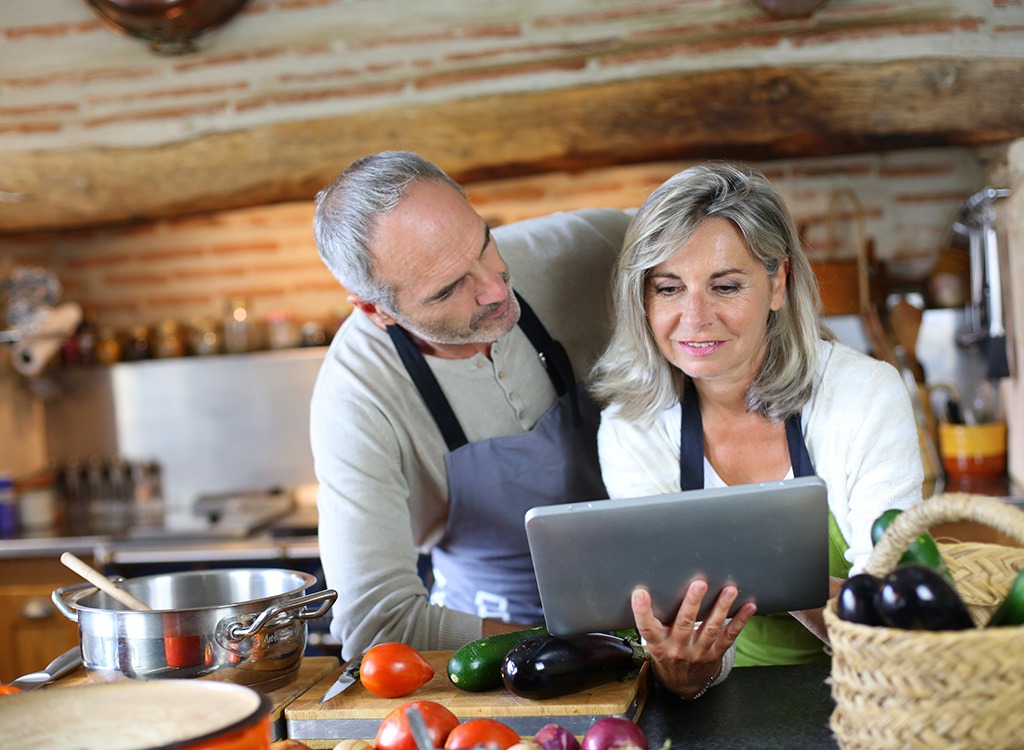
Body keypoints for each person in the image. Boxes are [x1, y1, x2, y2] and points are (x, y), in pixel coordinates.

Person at [590, 162, 924, 685]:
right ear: (643, 297)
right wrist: (684, 670)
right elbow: (685, 657)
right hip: (724, 707)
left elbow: (894, 620)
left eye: (724, 287)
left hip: (872, 697)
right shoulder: (632, 428)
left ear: (777, 284)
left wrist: (761, 565)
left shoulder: (863, 396)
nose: (695, 317)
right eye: (669, 288)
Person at [309, 151, 635, 662]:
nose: (493, 287)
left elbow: (723, 232)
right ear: (377, 311)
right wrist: (572, 651)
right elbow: (376, 624)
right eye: (447, 289)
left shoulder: (585, 247)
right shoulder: (355, 396)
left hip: (654, 600)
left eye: (484, 244)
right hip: (493, 649)